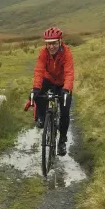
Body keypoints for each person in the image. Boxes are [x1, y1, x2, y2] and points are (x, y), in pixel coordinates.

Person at [28, 27, 74, 156]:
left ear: (60, 41)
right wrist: (36, 88)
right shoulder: (43, 53)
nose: (51, 46)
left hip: (63, 83)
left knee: (65, 110)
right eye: (48, 43)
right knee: (37, 94)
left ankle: (62, 141)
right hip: (48, 80)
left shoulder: (66, 53)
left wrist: (66, 89)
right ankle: (42, 117)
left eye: (54, 43)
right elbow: (38, 71)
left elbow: (69, 73)